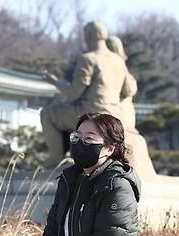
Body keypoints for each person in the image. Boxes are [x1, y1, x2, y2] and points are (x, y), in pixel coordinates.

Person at [40, 21, 137, 166]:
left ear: (89, 36)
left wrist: (55, 82)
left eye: (85, 36)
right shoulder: (118, 60)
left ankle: (55, 157)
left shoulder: (88, 59)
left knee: (48, 113)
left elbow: (74, 93)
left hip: (91, 112)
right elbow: (127, 91)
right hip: (115, 114)